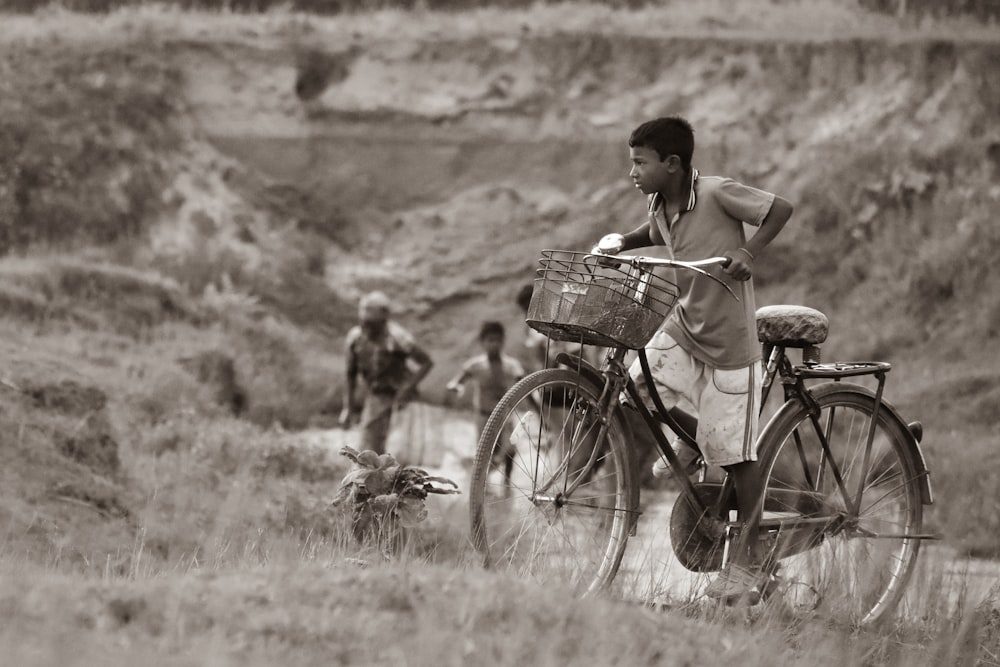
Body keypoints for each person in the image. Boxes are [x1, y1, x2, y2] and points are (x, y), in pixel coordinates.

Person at [592, 116, 793, 603]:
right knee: (636, 384)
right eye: (632, 162)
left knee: (738, 457)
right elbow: (657, 230)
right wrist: (623, 242)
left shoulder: (720, 193)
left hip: (730, 348)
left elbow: (780, 209)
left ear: (673, 164)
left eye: (641, 162)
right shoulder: (659, 203)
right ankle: (696, 441)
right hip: (685, 328)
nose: (633, 171)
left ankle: (748, 561)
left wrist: (748, 251)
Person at [339, 291, 433, 455]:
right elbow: (350, 374)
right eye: (364, 322)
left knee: (401, 451)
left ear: (383, 320)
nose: (367, 328)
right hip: (376, 397)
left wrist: (408, 388)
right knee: (369, 450)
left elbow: (426, 362)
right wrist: (348, 408)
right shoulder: (355, 338)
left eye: (372, 324)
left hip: (402, 398)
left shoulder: (398, 338)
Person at [446, 321, 526, 483]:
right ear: (482, 342)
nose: (494, 344)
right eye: (490, 340)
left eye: (497, 340)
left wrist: (539, 409)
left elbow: (525, 385)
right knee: (485, 451)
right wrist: (455, 387)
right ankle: (483, 486)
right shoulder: (476, 365)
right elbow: (457, 381)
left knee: (509, 449)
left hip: (504, 415)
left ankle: (507, 483)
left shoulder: (511, 366)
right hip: (484, 416)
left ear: (503, 341)